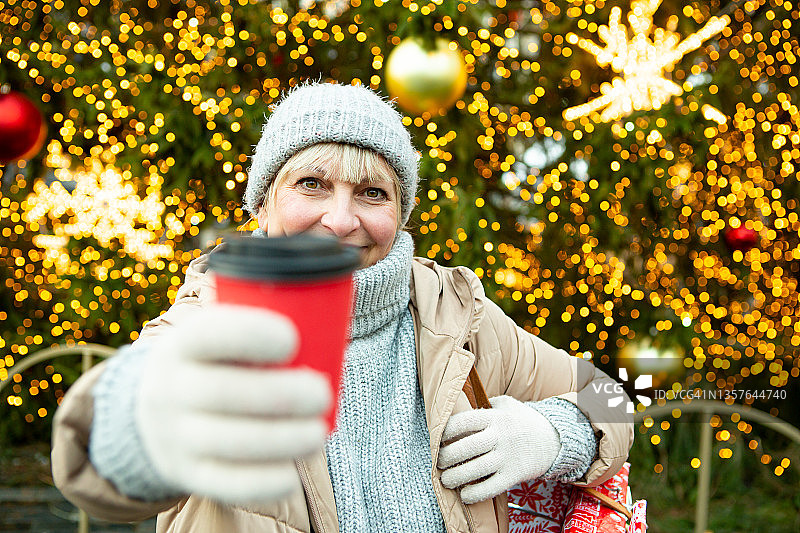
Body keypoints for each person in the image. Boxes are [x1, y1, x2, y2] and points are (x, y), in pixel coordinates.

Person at [51, 82, 633, 533]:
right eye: (311, 183)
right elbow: (102, 464)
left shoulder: (458, 313)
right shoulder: (207, 321)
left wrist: (553, 434)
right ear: (263, 204)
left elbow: (614, 399)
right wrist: (147, 418)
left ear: (399, 214)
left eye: (372, 193)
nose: (340, 219)